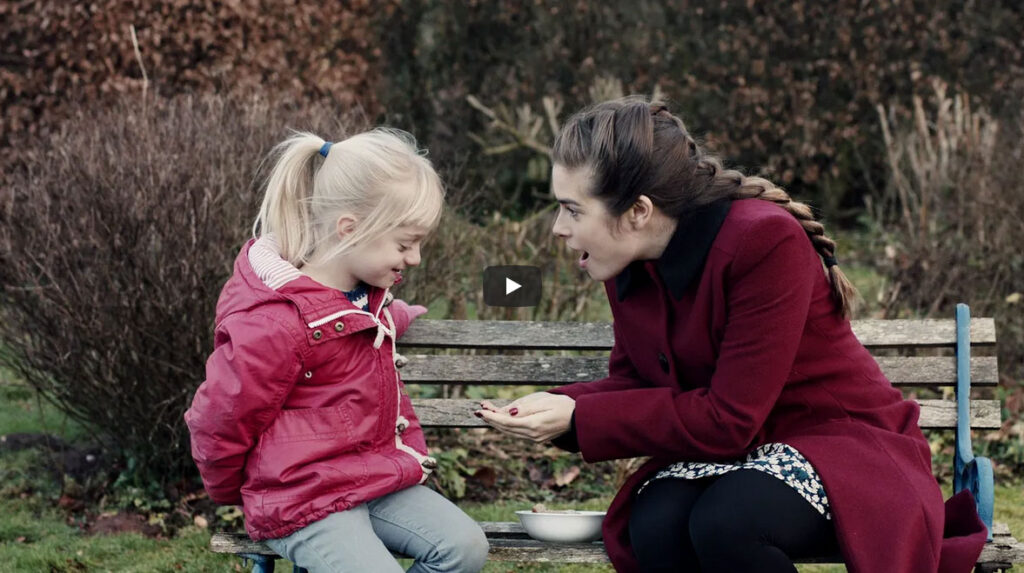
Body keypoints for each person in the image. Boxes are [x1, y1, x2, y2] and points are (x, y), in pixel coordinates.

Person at [477, 97, 987, 572]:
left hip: (842, 443)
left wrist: (582, 415)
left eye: (572, 209)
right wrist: (556, 408)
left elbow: (729, 420)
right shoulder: (630, 260)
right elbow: (638, 387)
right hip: (743, 450)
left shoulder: (763, 242)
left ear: (638, 211)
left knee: (727, 523)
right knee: (653, 522)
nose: (557, 230)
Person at [185, 129, 488, 573]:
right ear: (350, 229)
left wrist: (401, 315)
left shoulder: (367, 300)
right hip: (301, 495)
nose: (416, 258)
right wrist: (238, 492)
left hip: (371, 479)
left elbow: (360, 322)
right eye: (405, 244)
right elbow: (221, 418)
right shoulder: (275, 325)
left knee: (464, 548)